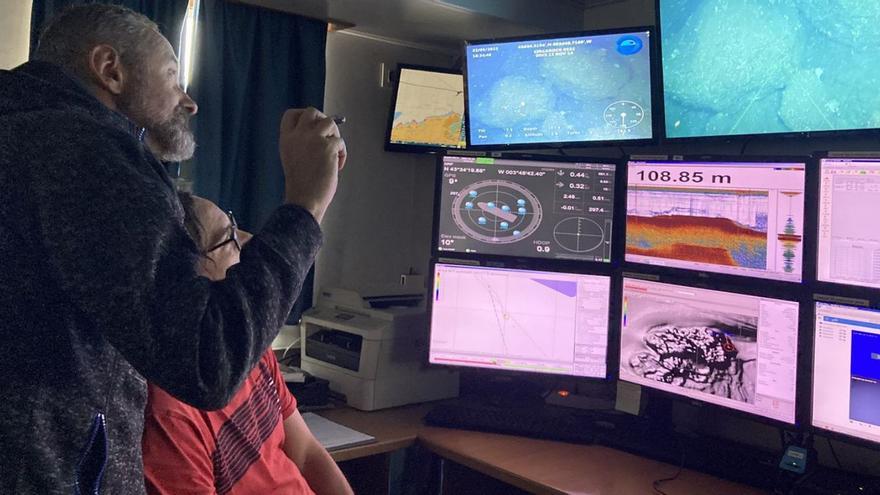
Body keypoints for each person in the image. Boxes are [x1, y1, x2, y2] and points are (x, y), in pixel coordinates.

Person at [0, 4, 346, 494]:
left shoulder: (21, 132)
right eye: (171, 76)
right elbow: (208, 363)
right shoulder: (83, 150)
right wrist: (306, 204)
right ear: (110, 69)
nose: (190, 101)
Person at [142, 194, 353, 495]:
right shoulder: (168, 415)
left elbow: (307, 454)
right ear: (189, 276)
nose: (249, 239)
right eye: (228, 237)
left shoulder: (245, 344)